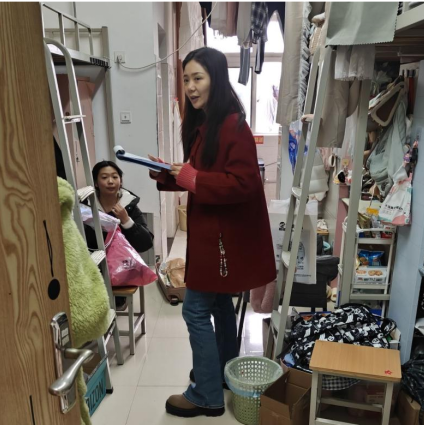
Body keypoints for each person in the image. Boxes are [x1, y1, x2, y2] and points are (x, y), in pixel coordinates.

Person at [149, 47, 276, 418]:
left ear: (215, 79)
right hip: (211, 235)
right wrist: (169, 175)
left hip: (221, 241)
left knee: (194, 311)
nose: (190, 86)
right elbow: (202, 177)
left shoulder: (233, 126)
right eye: (186, 79)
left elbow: (243, 184)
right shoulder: (207, 124)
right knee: (219, 305)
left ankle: (206, 395)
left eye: (198, 78)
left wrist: (191, 177)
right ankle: (219, 373)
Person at [85, 161, 154, 308]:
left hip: (122, 270)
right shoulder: (86, 208)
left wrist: (126, 220)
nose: (110, 181)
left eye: (115, 177)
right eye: (104, 177)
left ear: (120, 181)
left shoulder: (129, 206)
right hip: (93, 268)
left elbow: (146, 243)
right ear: (96, 183)